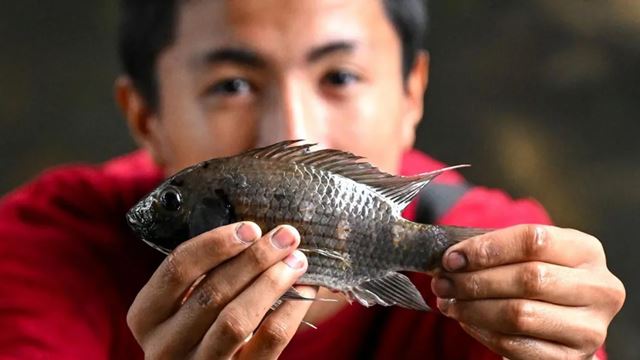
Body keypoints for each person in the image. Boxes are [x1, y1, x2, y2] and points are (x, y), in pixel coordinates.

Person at [0, 0, 625, 359]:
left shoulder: (493, 255)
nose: (293, 129)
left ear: (413, 94)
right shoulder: (43, 243)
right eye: (232, 85)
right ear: (146, 116)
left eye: (341, 76)